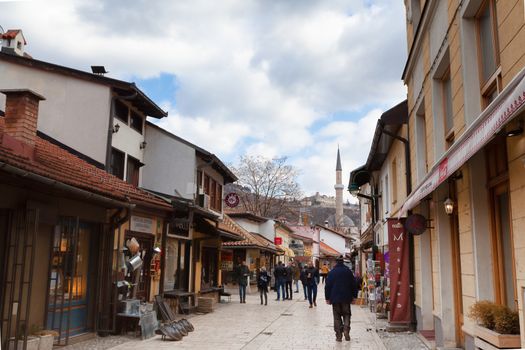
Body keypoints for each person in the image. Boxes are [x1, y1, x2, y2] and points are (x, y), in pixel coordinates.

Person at [325, 256, 358, 342]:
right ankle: (346, 329)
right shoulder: (348, 271)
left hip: (335, 298)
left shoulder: (332, 272)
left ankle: (338, 336)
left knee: (337, 317)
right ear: (343, 262)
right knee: (347, 314)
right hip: (346, 297)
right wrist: (354, 296)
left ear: (336, 262)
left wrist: (327, 297)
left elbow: (327, 286)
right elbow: (354, 285)